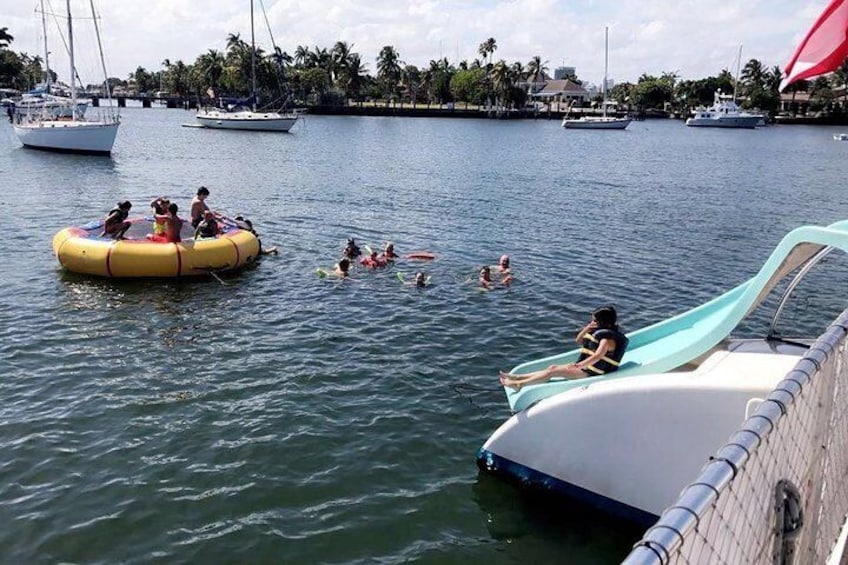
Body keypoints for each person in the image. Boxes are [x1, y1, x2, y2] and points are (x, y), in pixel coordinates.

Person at [499, 306, 629, 390]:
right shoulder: (596, 331)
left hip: (591, 372)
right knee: (552, 367)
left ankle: (519, 385)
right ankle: (518, 377)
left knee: (552, 372)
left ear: (602, 322)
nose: (591, 322)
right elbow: (578, 341)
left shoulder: (607, 339)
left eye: (594, 320)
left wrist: (579, 366)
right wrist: (586, 329)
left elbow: (598, 356)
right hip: (586, 367)